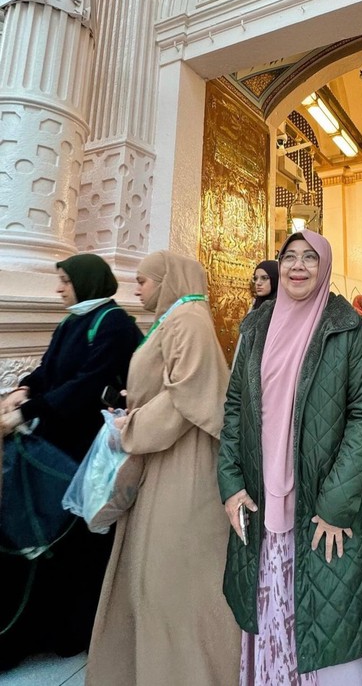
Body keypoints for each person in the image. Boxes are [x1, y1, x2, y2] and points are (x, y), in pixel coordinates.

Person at [219, 230, 362, 685]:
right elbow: (234, 406)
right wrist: (230, 482)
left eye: (310, 258)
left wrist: (336, 503)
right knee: (271, 617)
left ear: (325, 266)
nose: (298, 266)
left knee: (329, 623)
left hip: (324, 511)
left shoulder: (346, 329)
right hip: (261, 505)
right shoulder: (255, 327)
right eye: (289, 256)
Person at [86, 251, 240, 686]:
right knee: (153, 579)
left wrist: (130, 427)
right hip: (164, 463)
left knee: (174, 581)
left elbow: (184, 399)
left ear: (166, 280)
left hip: (183, 466)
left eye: (143, 281)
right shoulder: (173, 318)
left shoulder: (187, 320)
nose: (136, 289)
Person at [0, 253, 142, 670]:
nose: (59, 289)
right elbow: (48, 370)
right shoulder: (73, 320)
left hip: (83, 453)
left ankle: (69, 632)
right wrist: (23, 391)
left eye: (64, 281)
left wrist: (28, 411)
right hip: (57, 444)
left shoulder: (113, 324)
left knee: (71, 544)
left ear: (85, 281)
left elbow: (88, 385)